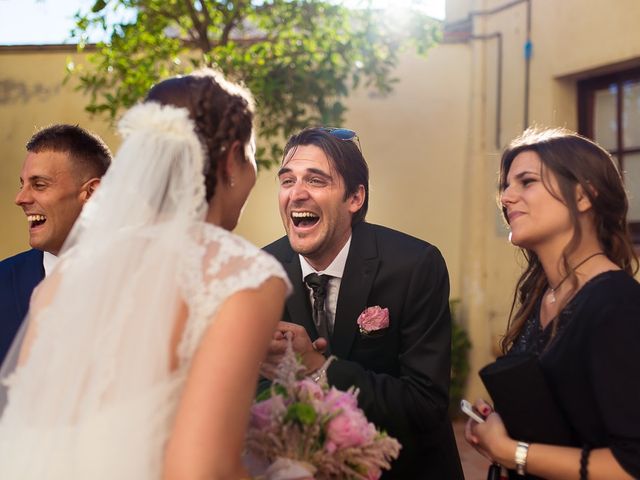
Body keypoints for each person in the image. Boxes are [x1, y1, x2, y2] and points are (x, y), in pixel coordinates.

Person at [0, 69, 290, 479]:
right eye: (253, 155)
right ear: (232, 159)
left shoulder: (62, 280)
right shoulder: (242, 275)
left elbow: (24, 438)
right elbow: (202, 470)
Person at [262, 127, 464, 479]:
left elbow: (425, 405)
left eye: (316, 180)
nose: (296, 194)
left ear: (355, 198)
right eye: (287, 180)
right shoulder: (261, 273)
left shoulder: (414, 266)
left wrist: (318, 367)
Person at [465, 127, 640, 479]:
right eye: (505, 187)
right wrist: (503, 421)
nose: (507, 198)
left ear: (584, 196)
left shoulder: (617, 305)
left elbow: (631, 464)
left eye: (526, 182)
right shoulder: (541, 296)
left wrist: (511, 451)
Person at [0, 124, 111, 363]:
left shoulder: (141, 280)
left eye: (39, 185)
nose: (21, 199)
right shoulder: (3, 281)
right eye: (23, 185)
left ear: (92, 193)